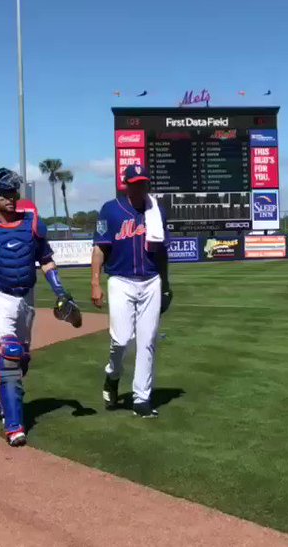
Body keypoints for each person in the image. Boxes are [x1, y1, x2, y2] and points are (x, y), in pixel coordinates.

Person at [0, 168, 80, 447]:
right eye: (6, 194)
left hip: (27, 298)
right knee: (9, 352)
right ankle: (14, 427)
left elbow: (46, 260)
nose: (12, 199)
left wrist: (60, 291)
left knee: (22, 359)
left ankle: (3, 396)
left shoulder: (33, 225)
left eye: (14, 193)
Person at [92, 164, 173, 418]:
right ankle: (112, 375)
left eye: (144, 182)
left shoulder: (156, 210)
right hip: (121, 280)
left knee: (147, 341)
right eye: (135, 182)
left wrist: (166, 284)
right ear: (126, 185)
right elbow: (99, 248)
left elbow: (162, 252)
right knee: (122, 339)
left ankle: (141, 398)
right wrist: (95, 283)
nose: (140, 187)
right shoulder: (111, 210)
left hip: (151, 281)